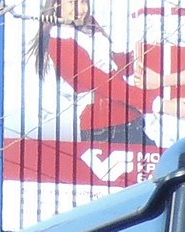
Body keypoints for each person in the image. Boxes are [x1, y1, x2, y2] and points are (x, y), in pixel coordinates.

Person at [32, 0, 152, 147]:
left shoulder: (87, 27)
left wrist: (138, 56)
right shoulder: (60, 43)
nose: (80, 9)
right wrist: (156, 103)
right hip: (105, 130)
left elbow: (113, 65)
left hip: (132, 120)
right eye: (71, 2)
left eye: (83, 2)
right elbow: (102, 83)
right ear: (56, 5)